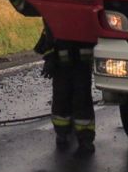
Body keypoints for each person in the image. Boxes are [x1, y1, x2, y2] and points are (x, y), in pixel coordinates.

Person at [34, 21, 96, 154]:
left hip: (81, 62)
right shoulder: (54, 9)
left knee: (82, 98)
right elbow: (49, 30)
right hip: (61, 62)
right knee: (61, 97)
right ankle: (62, 133)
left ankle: (85, 138)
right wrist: (50, 57)